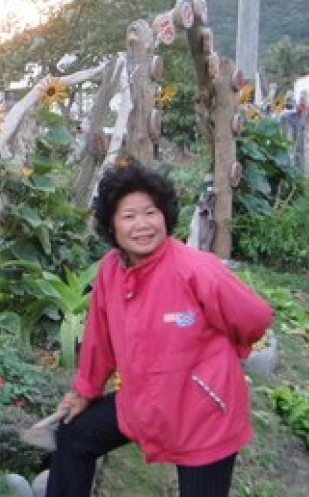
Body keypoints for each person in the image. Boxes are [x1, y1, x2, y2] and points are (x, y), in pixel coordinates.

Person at [46, 161, 274, 497]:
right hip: (144, 401)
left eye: (150, 213)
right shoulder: (110, 271)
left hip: (203, 414)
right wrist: (84, 392)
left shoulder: (195, 269)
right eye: (129, 216)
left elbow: (255, 316)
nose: (142, 225)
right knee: (75, 434)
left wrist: (220, 360)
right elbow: (99, 340)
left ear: (165, 215)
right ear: (112, 224)